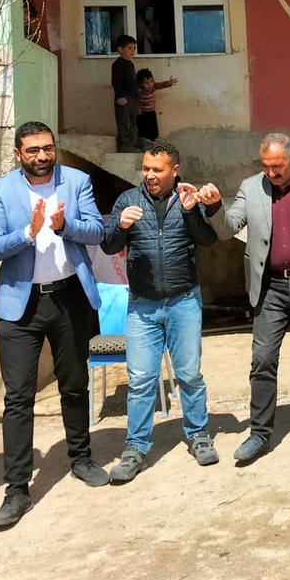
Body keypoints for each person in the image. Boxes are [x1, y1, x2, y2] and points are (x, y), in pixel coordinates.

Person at [0, 121, 109, 530]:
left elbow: (97, 230)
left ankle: (81, 458)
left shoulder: (76, 181)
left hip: (70, 296)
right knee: (18, 397)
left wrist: (63, 226)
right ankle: (17, 487)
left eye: (47, 148)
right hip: (22, 305)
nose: (42, 156)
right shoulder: (2, 190)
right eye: (32, 150)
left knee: (74, 384)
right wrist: (28, 232)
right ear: (18, 153)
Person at [198, 133, 290, 462]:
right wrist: (214, 206)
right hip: (270, 287)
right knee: (262, 361)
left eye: (277, 166)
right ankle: (260, 432)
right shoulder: (252, 187)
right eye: (265, 166)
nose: (271, 173)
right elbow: (227, 227)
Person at [101, 139, 220, 479]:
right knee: (141, 380)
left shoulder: (187, 196)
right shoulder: (127, 200)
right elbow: (110, 245)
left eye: (158, 169)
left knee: (189, 375)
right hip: (142, 306)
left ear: (175, 170)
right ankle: (136, 447)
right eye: (146, 169)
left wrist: (189, 211)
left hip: (184, 301)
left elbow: (207, 240)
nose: (150, 175)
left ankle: (199, 436)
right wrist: (121, 225)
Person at [112, 35, 143, 153]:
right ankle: (124, 146)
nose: (132, 51)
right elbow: (116, 81)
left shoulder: (130, 64)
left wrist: (137, 102)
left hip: (133, 99)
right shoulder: (118, 64)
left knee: (133, 123)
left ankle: (133, 145)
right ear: (120, 49)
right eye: (129, 48)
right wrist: (119, 96)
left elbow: (133, 83)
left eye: (134, 48)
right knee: (124, 122)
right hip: (123, 98)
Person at [134, 68, 178, 142]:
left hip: (151, 112)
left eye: (151, 81)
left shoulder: (154, 86)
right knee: (144, 131)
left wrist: (168, 83)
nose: (149, 84)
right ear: (140, 84)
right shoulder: (139, 90)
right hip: (142, 113)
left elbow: (161, 85)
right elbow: (133, 98)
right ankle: (143, 143)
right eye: (146, 82)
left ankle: (152, 142)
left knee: (154, 130)